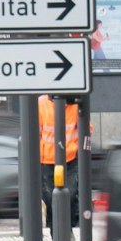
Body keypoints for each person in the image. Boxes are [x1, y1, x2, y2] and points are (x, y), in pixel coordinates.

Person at [37, 94, 82, 228]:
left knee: (71, 193)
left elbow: (85, 128)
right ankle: (54, 229)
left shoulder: (75, 103)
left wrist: (78, 145)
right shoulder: (42, 103)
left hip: (70, 158)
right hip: (47, 160)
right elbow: (36, 131)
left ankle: (69, 228)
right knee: (50, 198)